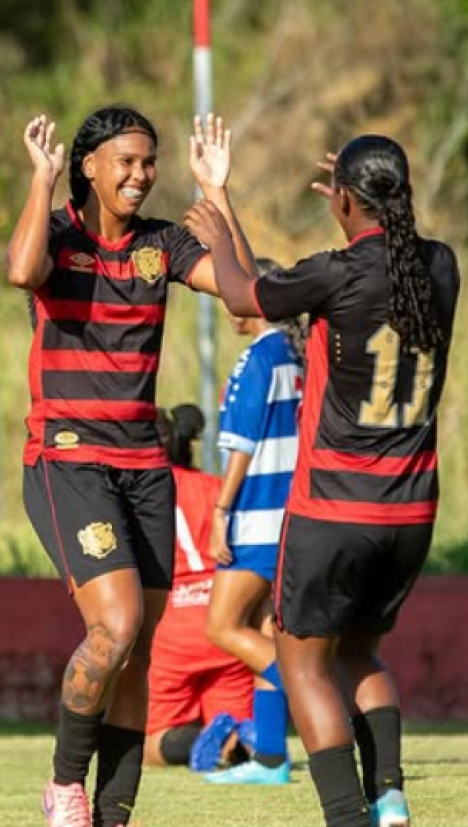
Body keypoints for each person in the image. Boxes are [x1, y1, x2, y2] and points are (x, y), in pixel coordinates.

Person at [184, 135, 460, 827]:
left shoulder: (335, 274)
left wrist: (219, 204)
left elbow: (246, 296)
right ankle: (389, 795)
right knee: (361, 651)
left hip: (336, 508)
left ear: (342, 200)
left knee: (302, 661)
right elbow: (384, 257)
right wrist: (363, 186)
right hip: (412, 512)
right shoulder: (441, 266)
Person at [6, 106, 257, 827]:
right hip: (66, 458)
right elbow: (21, 270)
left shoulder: (163, 246)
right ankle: (64, 790)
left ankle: (116, 824)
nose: (141, 175)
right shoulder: (59, 234)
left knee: (139, 650)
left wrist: (220, 200)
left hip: (144, 468)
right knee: (112, 627)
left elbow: (246, 299)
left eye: (149, 163)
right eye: (126, 161)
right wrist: (40, 180)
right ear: (89, 166)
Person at [201, 258, 305, 786]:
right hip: (294, 517)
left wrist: (221, 511)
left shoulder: (257, 359)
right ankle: (270, 758)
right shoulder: (297, 355)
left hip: (258, 518)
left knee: (222, 626)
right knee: (266, 628)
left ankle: (306, 687)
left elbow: (240, 446)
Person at [144, 404, 254, 771]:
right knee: (238, 724)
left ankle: (202, 742)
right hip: (225, 622)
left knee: (151, 743)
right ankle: (235, 743)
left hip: (169, 633)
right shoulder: (216, 489)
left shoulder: (133, 496)